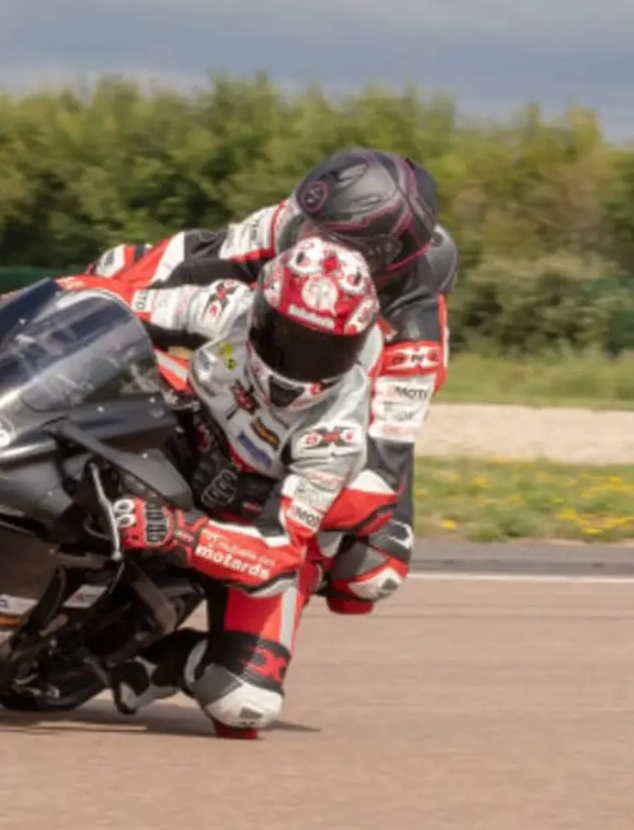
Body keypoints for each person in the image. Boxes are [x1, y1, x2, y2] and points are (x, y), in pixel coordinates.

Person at [0, 237, 391, 736]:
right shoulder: (226, 308)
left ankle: (162, 660)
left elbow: (277, 553)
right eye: (289, 338)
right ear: (261, 312)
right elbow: (111, 298)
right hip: (181, 429)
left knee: (243, 703)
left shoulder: (338, 432)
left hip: (240, 524)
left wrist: (177, 533)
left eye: (328, 351)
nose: (301, 364)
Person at [80, 148, 458, 617]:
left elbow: (379, 473)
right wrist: (74, 294)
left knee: (371, 569)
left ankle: (257, 594)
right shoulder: (295, 223)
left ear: (381, 257)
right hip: (247, 383)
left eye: (324, 234)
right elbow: (194, 258)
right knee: (112, 270)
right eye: (307, 219)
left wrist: (258, 499)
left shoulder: (413, 334)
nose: (304, 235)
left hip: (340, 436)